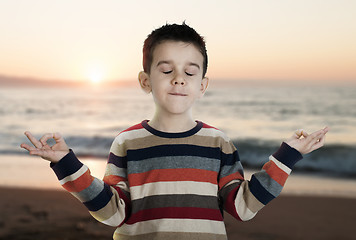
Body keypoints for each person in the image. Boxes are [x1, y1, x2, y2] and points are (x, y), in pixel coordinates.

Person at [21, 23, 329, 240]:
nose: (179, 79)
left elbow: (242, 207)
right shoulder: (127, 142)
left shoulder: (219, 143)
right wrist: (66, 163)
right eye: (167, 70)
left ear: (202, 85)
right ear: (146, 81)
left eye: (190, 72)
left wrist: (286, 157)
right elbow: (113, 213)